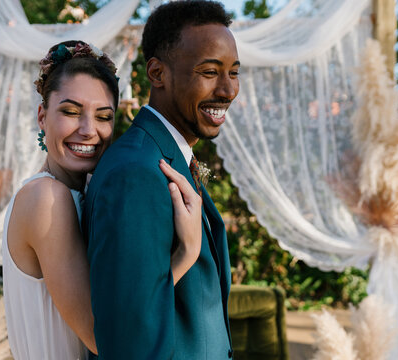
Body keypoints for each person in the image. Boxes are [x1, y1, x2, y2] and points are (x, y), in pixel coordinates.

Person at [2, 40, 202, 360]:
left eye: (103, 116)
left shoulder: (79, 194)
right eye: (70, 112)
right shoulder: (46, 198)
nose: (88, 130)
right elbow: (105, 339)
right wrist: (186, 253)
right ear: (42, 116)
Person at [84, 1, 240, 359]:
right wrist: (187, 251)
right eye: (209, 71)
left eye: (233, 72)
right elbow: (128, 342)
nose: (228, 90)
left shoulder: (165, 156)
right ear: (157, 73)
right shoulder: (135, 174)